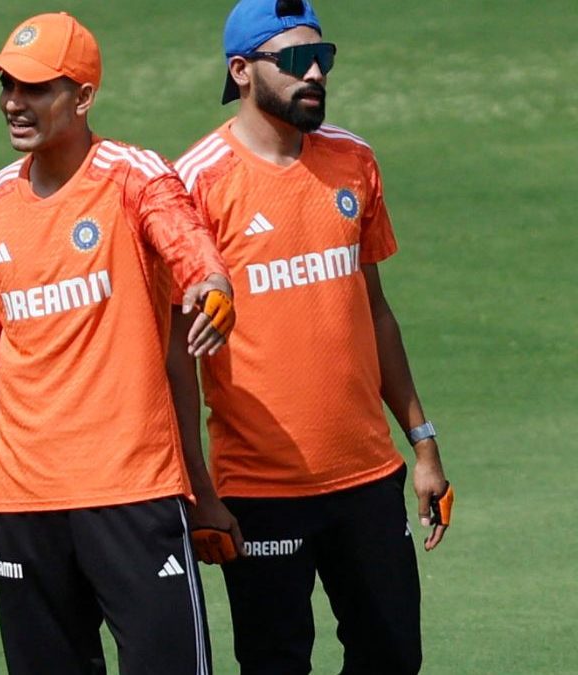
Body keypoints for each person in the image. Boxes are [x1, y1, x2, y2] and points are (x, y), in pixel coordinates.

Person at [0, 12, 236, 674]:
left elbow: (187, 240)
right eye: (6, 85)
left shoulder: (131, 175)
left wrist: (210, 284)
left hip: (132, 492)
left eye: (35, 88)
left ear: (83, 97)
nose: (12, 102)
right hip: (25, 504)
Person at [168, 1, 454, 673]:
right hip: (259, 492)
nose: (316, 72)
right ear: (241, 71)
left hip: (368, 478)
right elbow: (173, 354)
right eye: (295, 61)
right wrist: (199, 489)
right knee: (275, 663)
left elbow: (375, 310)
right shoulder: (196, 183)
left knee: (392, 657)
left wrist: (423, 440)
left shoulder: (354, 160)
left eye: (323, 57)